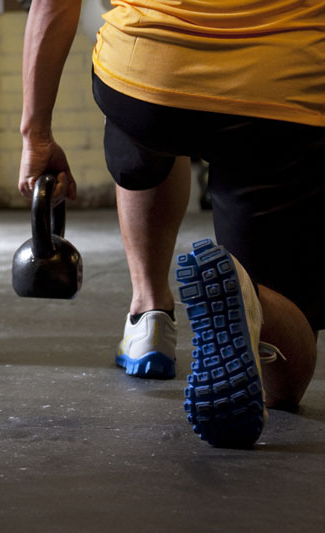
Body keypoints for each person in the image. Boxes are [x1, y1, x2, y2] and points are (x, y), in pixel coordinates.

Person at [19, 0, 323, 448]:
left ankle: (150, 318)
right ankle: (250, 299)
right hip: (278, 85)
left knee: (144, 107)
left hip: (149, 77)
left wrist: (36, 135)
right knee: (283, 383)